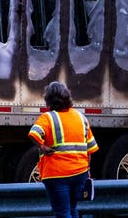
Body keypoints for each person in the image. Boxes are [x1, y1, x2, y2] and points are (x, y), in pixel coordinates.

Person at [28, 81, 99, 218]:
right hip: (79, 173)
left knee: (62, 212)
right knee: (72, 209)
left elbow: (34, 133)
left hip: (57, 174)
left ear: (48, 99)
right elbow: (90, 149)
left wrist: (43, 147)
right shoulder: (81, 118)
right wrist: (87, 170)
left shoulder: (48, 118)